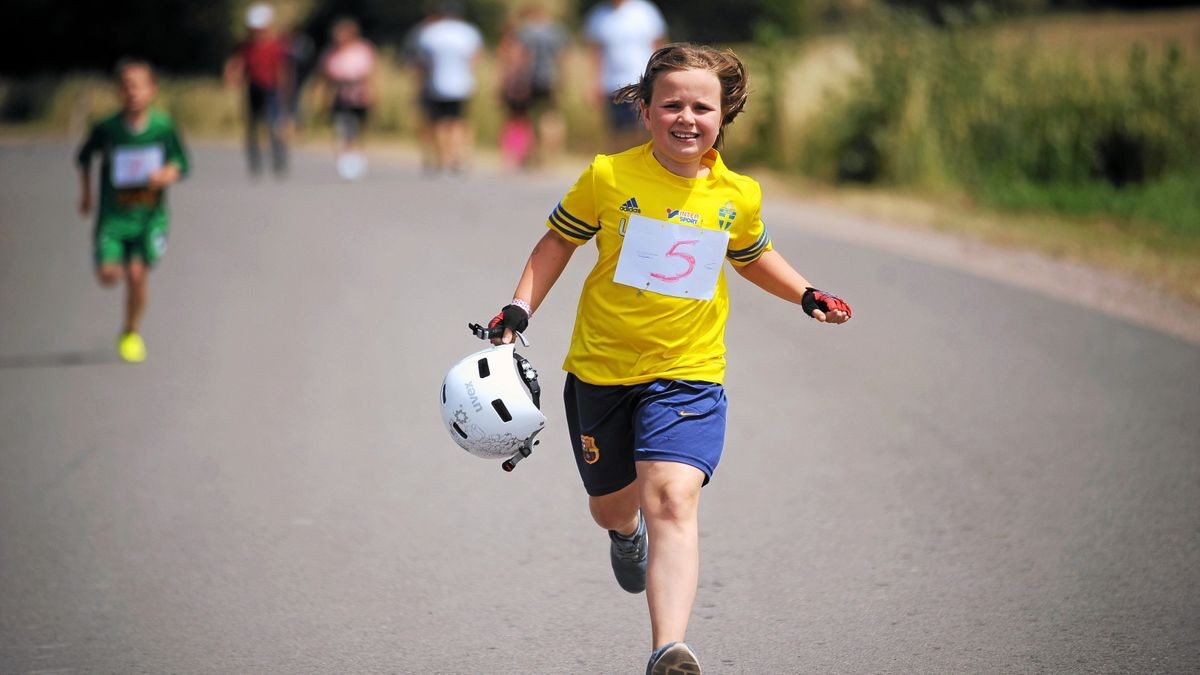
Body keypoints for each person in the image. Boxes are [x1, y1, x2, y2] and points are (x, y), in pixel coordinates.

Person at [485, 44, 853, 674]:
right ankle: (623, 535)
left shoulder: (738, 195)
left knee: (674, 498)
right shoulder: (608, 176)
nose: (687, 117)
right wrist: (518, 310)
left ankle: (668, 651)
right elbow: (558, 241)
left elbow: (749, 254)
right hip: (601, 370)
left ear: (723, 114)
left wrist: (806, 294)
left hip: (688, 371)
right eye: (672, 104)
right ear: (647, 112)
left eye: (701, 107)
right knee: (615, 506)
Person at [77, 58, 190, 364]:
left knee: (138, 275)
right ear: (118, 92)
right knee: (109, 275)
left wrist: (165, 174)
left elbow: (182, 164)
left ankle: (130, 331)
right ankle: (105, 256)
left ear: (152, 90)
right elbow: (84, 158)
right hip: (114, 217)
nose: (133, 92)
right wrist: (86, 194)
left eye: (139, 86)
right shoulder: (108, 128)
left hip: (149, 217)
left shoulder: (162, 127)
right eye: (126, 87)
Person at [584, 0, 666, 152]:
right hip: (611, 84)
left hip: (641, 82)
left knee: (643, 127)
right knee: (617, 130)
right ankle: (620, 167)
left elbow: (658, 46)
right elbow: (595, 54)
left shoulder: (645, 11)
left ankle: (641, 165)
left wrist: (661, 76)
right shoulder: (598, 16)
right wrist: (594, 84)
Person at [411, 2, 483, 174]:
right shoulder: (468, 31)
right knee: (458, 121)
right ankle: (458, 156)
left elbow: (422, 61)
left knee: (441, 122)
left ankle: (445, 158)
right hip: (462, 84)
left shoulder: (431, 32)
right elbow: (476, 57)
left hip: (437, 83)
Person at [224, 3, 292, 178]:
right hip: (253, 89)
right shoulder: (247, 46)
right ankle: (255, 161)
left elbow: (282, 69)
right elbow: (237, 64)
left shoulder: (276, 45)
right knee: (252, 126)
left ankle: (278, 158)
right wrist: (233, 77)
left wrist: (284, 92)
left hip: (271, 89)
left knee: (273, 126)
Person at [318, 17, 378, 181]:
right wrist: (324, 99)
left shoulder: (363, 50)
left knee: (358, 129)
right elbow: (326, 80)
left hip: (358, 94)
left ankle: (358, 160)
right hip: (340, 94)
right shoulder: (330, 53)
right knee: (342, 129)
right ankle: (343, 162)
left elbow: (370, 75)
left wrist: (371, 93)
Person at [515, 3, 568, 167]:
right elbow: (562, 57)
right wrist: (563, 78)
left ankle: (535, 155)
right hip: (552, 78)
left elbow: (524, 57)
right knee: (552, 116)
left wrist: (521, 80)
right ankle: (552, 155)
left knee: (532, 118)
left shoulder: (526, 31)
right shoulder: (556, 31)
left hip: (533, 79)